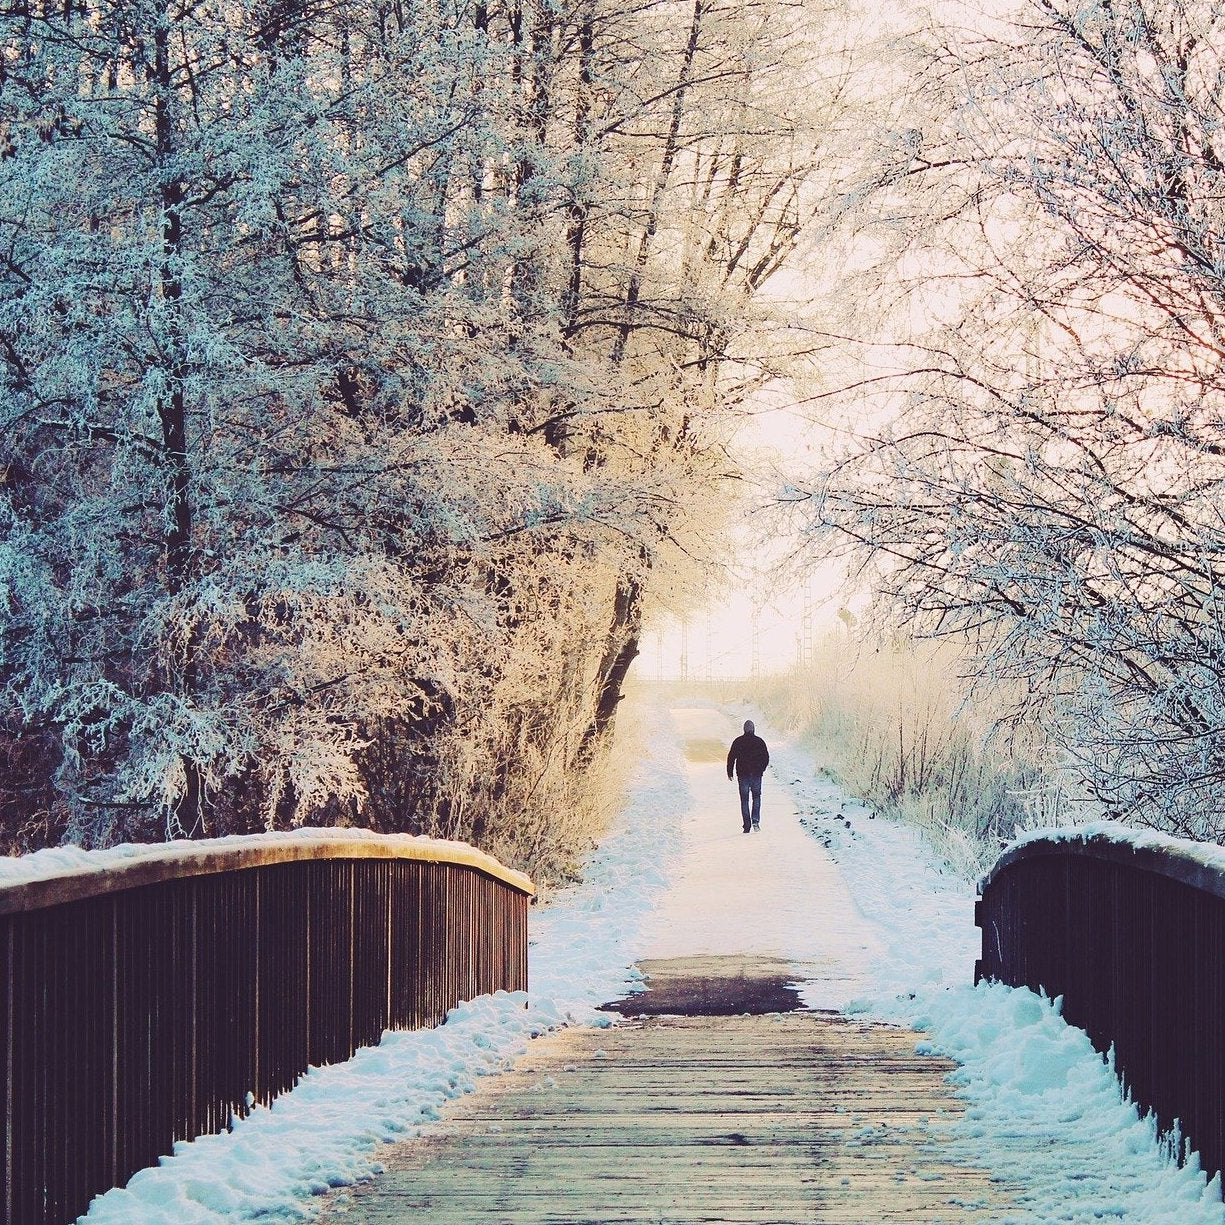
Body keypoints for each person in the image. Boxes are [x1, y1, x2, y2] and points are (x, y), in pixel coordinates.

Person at [726, 719, 770, 833]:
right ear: (753, 729)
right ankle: (755, 821)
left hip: (743, 775)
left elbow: (731, 758)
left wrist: (729, 772)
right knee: (756, 797)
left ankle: (746, 825)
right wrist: (762, 769)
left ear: (744, 729)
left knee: (744, 800)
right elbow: (766, 757)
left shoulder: (738, 741)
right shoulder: (759, 742)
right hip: (756, 774)